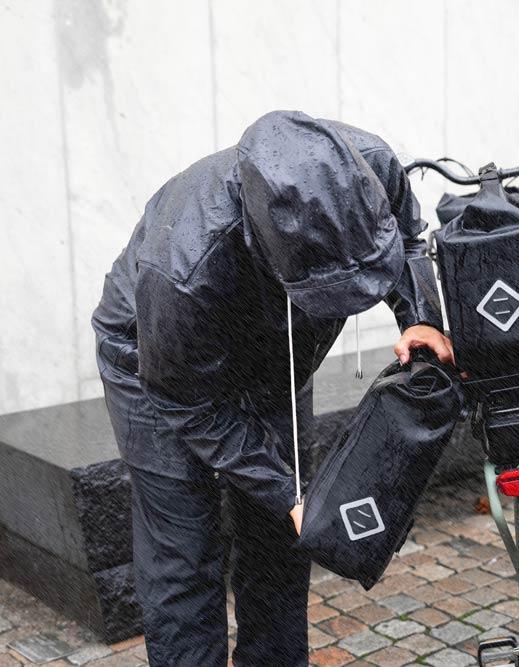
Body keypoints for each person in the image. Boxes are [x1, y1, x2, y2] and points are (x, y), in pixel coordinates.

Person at [91, 110, 453, 666]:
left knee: (283, 539)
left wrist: (418, 313)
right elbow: (189, 403)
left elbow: (405, 237)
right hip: (158, 369)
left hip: (273, 358)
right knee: (183, 553)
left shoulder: (373, 166)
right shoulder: (182, 267)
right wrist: (285, 493)